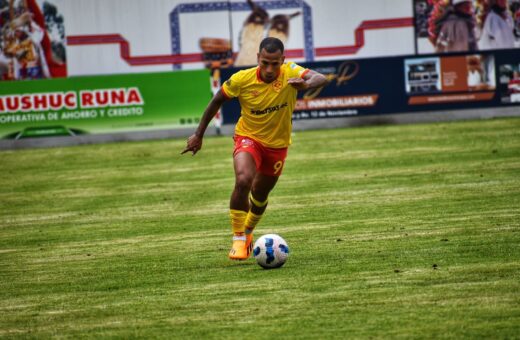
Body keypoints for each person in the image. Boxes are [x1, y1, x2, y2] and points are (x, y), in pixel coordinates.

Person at [182, 37, 328, 260]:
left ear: (283, 60)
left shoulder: (291, 72)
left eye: (275, 63)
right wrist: (199, 134)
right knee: (243, 180)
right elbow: (216, 100)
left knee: (260, 196)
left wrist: (306, 84)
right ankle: (238, 238)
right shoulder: (242, 79)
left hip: (277, 146)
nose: (270, 69)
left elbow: (321, 78)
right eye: (265, 63)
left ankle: (249, 233)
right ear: (258, 58)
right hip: (248, 138)